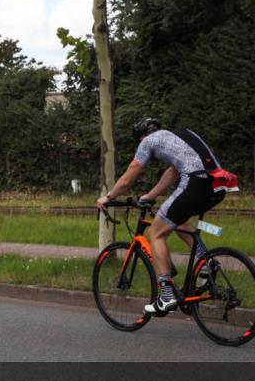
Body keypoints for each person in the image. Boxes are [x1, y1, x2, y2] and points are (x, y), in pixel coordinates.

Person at [97, 118, 238, 314]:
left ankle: (166, 295)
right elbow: (172, 174)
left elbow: (128, 179)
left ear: (141, 137)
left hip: (195, 183)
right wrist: (150, 196)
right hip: (219, 184)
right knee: (176, 218)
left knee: (155, 233)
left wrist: (109, 197)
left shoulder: (148, 141)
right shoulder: (179, 136)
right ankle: (207, 263)